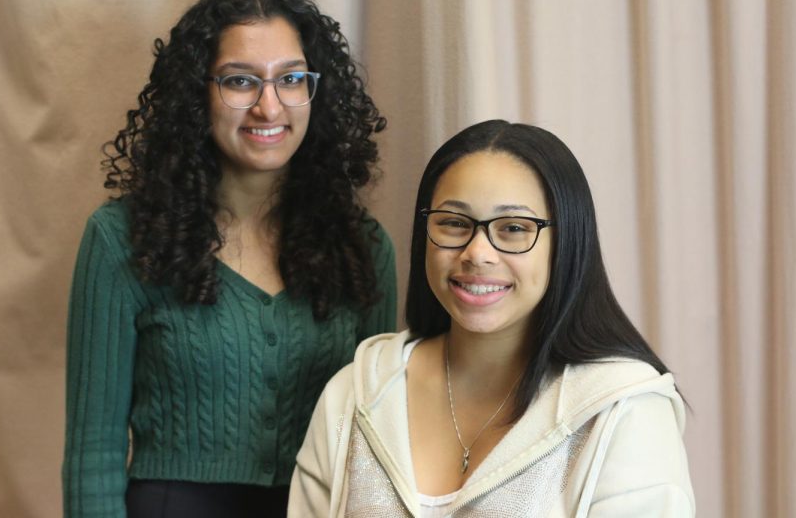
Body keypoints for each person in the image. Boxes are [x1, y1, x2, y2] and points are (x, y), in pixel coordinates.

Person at [62, 0, 397, 518]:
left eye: (291, 79)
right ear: (198, 94)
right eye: (241, 81)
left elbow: (374, 449)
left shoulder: (363, 247)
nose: (269, 105)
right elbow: (92, 456)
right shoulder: (121, 238)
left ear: (317, 93)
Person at [289, 120, 694, 517]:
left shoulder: (623, 409)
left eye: (514, 228)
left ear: (567, 242)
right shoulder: (356, 393)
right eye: (454, 223)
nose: (477, 253)